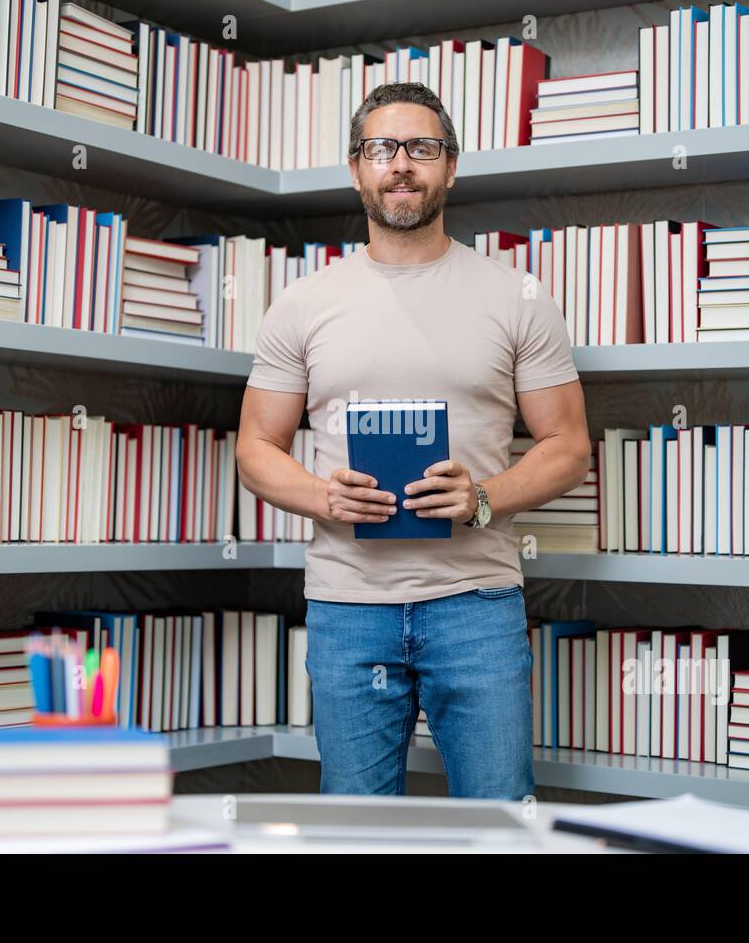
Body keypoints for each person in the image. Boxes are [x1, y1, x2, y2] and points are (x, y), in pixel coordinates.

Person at [235, 82, 591, 799]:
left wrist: (483, 497)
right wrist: (323, 496)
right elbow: (254, 447)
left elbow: (569, 446)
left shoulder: (517, 295)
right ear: (356, 166)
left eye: (422, 148)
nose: (402, 164)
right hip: (347, 608)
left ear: (450, 167)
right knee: (358, 835)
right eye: (382, 148)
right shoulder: (303, 301)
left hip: (476, 603)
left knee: (501, 827)